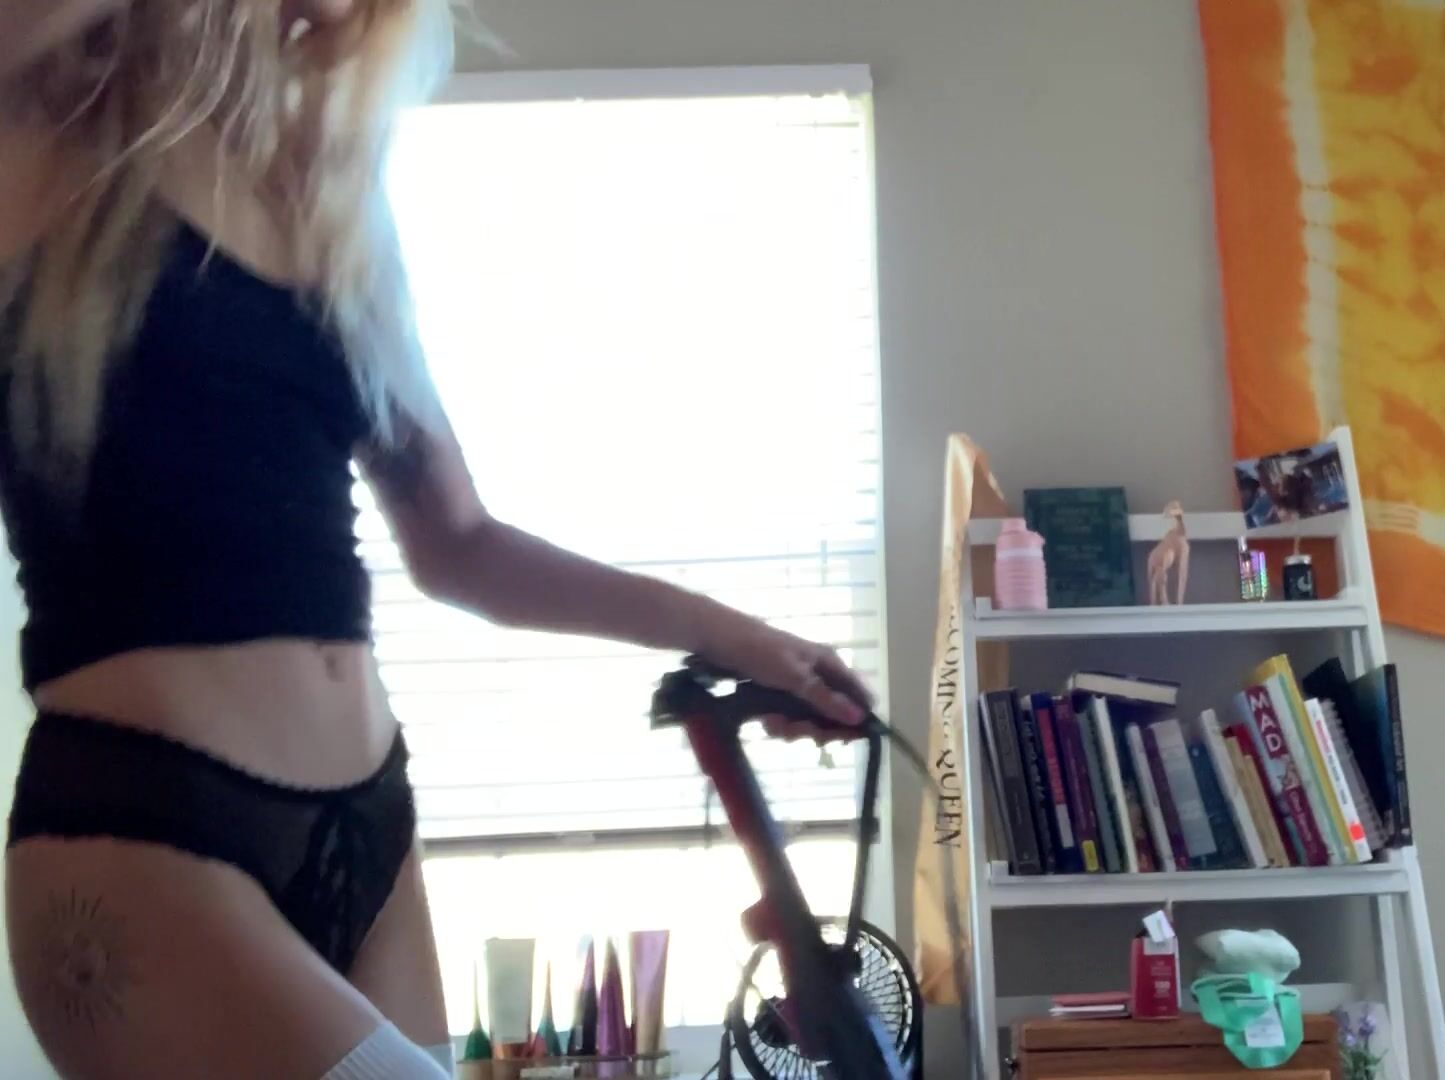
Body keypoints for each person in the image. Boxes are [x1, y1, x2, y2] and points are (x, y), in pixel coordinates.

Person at [0, 2, 871, 1076]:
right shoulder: (52, 124)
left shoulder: (325, 196)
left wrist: (743, 639)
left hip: (369, 824)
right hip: (147, 831)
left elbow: (461, 544)